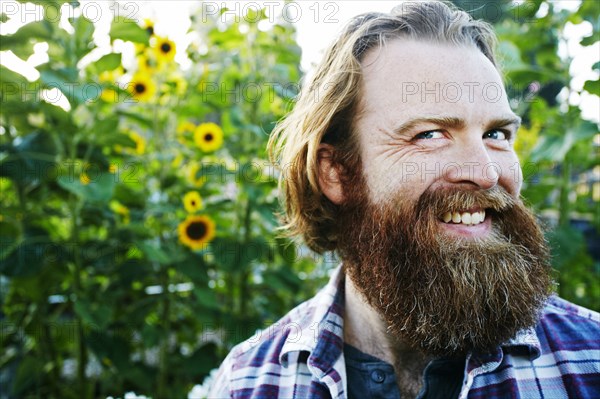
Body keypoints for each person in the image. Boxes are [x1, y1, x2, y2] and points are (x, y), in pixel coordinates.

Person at [209, 1, 600, 397]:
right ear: (336, 172)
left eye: (496, 134)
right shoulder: (248, 383)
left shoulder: (590, 364)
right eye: (429, 134)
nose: (485, 173)